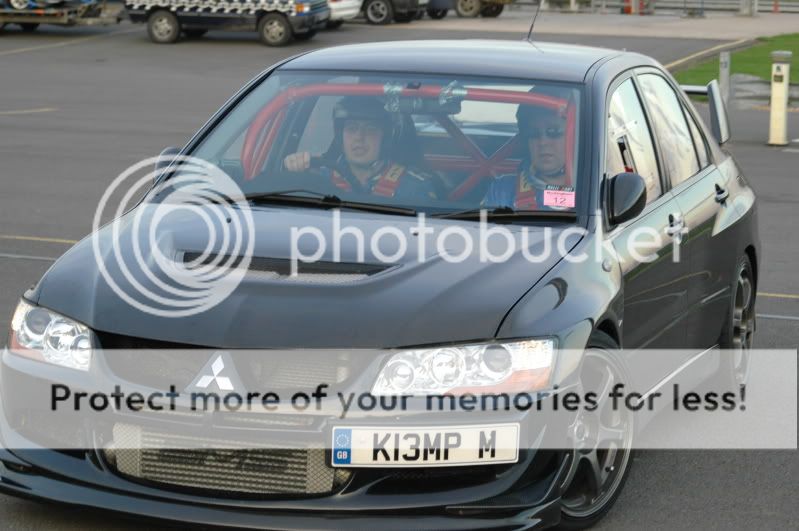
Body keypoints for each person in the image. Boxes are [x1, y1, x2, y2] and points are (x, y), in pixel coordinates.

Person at [283, 96, 438, 202]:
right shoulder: (317, 178)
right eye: (351, 128)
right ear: (340, 137)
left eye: (370, 129)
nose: (359, 137)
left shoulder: (415, 187)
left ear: (386, 138)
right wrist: (293, 171)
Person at [483, 95, 575, 211]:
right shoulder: (503, 190)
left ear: (575, 137)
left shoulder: (595, 189)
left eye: (553, 132)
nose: (543, 142)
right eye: (534, 134)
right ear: (527, 143)